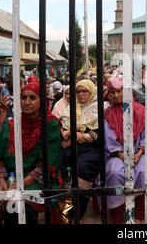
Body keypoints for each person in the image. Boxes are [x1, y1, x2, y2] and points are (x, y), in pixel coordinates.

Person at [0, 82, 61, 224]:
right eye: (23, 98)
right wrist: (1, 180)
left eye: (32, 98)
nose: (27, 102)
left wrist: (18, 185)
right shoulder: (11, 124)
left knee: (16, 207)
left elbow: (47, 164)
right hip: (8, 178)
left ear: (42, 101)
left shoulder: (50, 124)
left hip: (37, 180)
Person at [103, 77, 147, 223]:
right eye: (112, 92)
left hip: (140, 152)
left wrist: (140, 152)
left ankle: (140, 213)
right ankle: (118, 214)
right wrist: (121, 154)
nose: (116, 95)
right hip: (117, 154)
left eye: (119, 91)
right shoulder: (108, 114)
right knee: (115, 172)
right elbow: (108, 139)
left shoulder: (141, 111)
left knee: (143, 170)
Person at [61, 79, 101, 219]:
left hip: (91, 149)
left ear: (91, 92)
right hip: (72, 146)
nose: (81, 94)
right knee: (59, 163)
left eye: (84, 91)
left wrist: (79, 135)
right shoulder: (71, 108)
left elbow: (97, 136)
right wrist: (71, 136)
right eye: (78, 91)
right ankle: (61, 211)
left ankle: (76, 214)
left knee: (82, 168)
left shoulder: (99, 108)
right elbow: (64, 129)